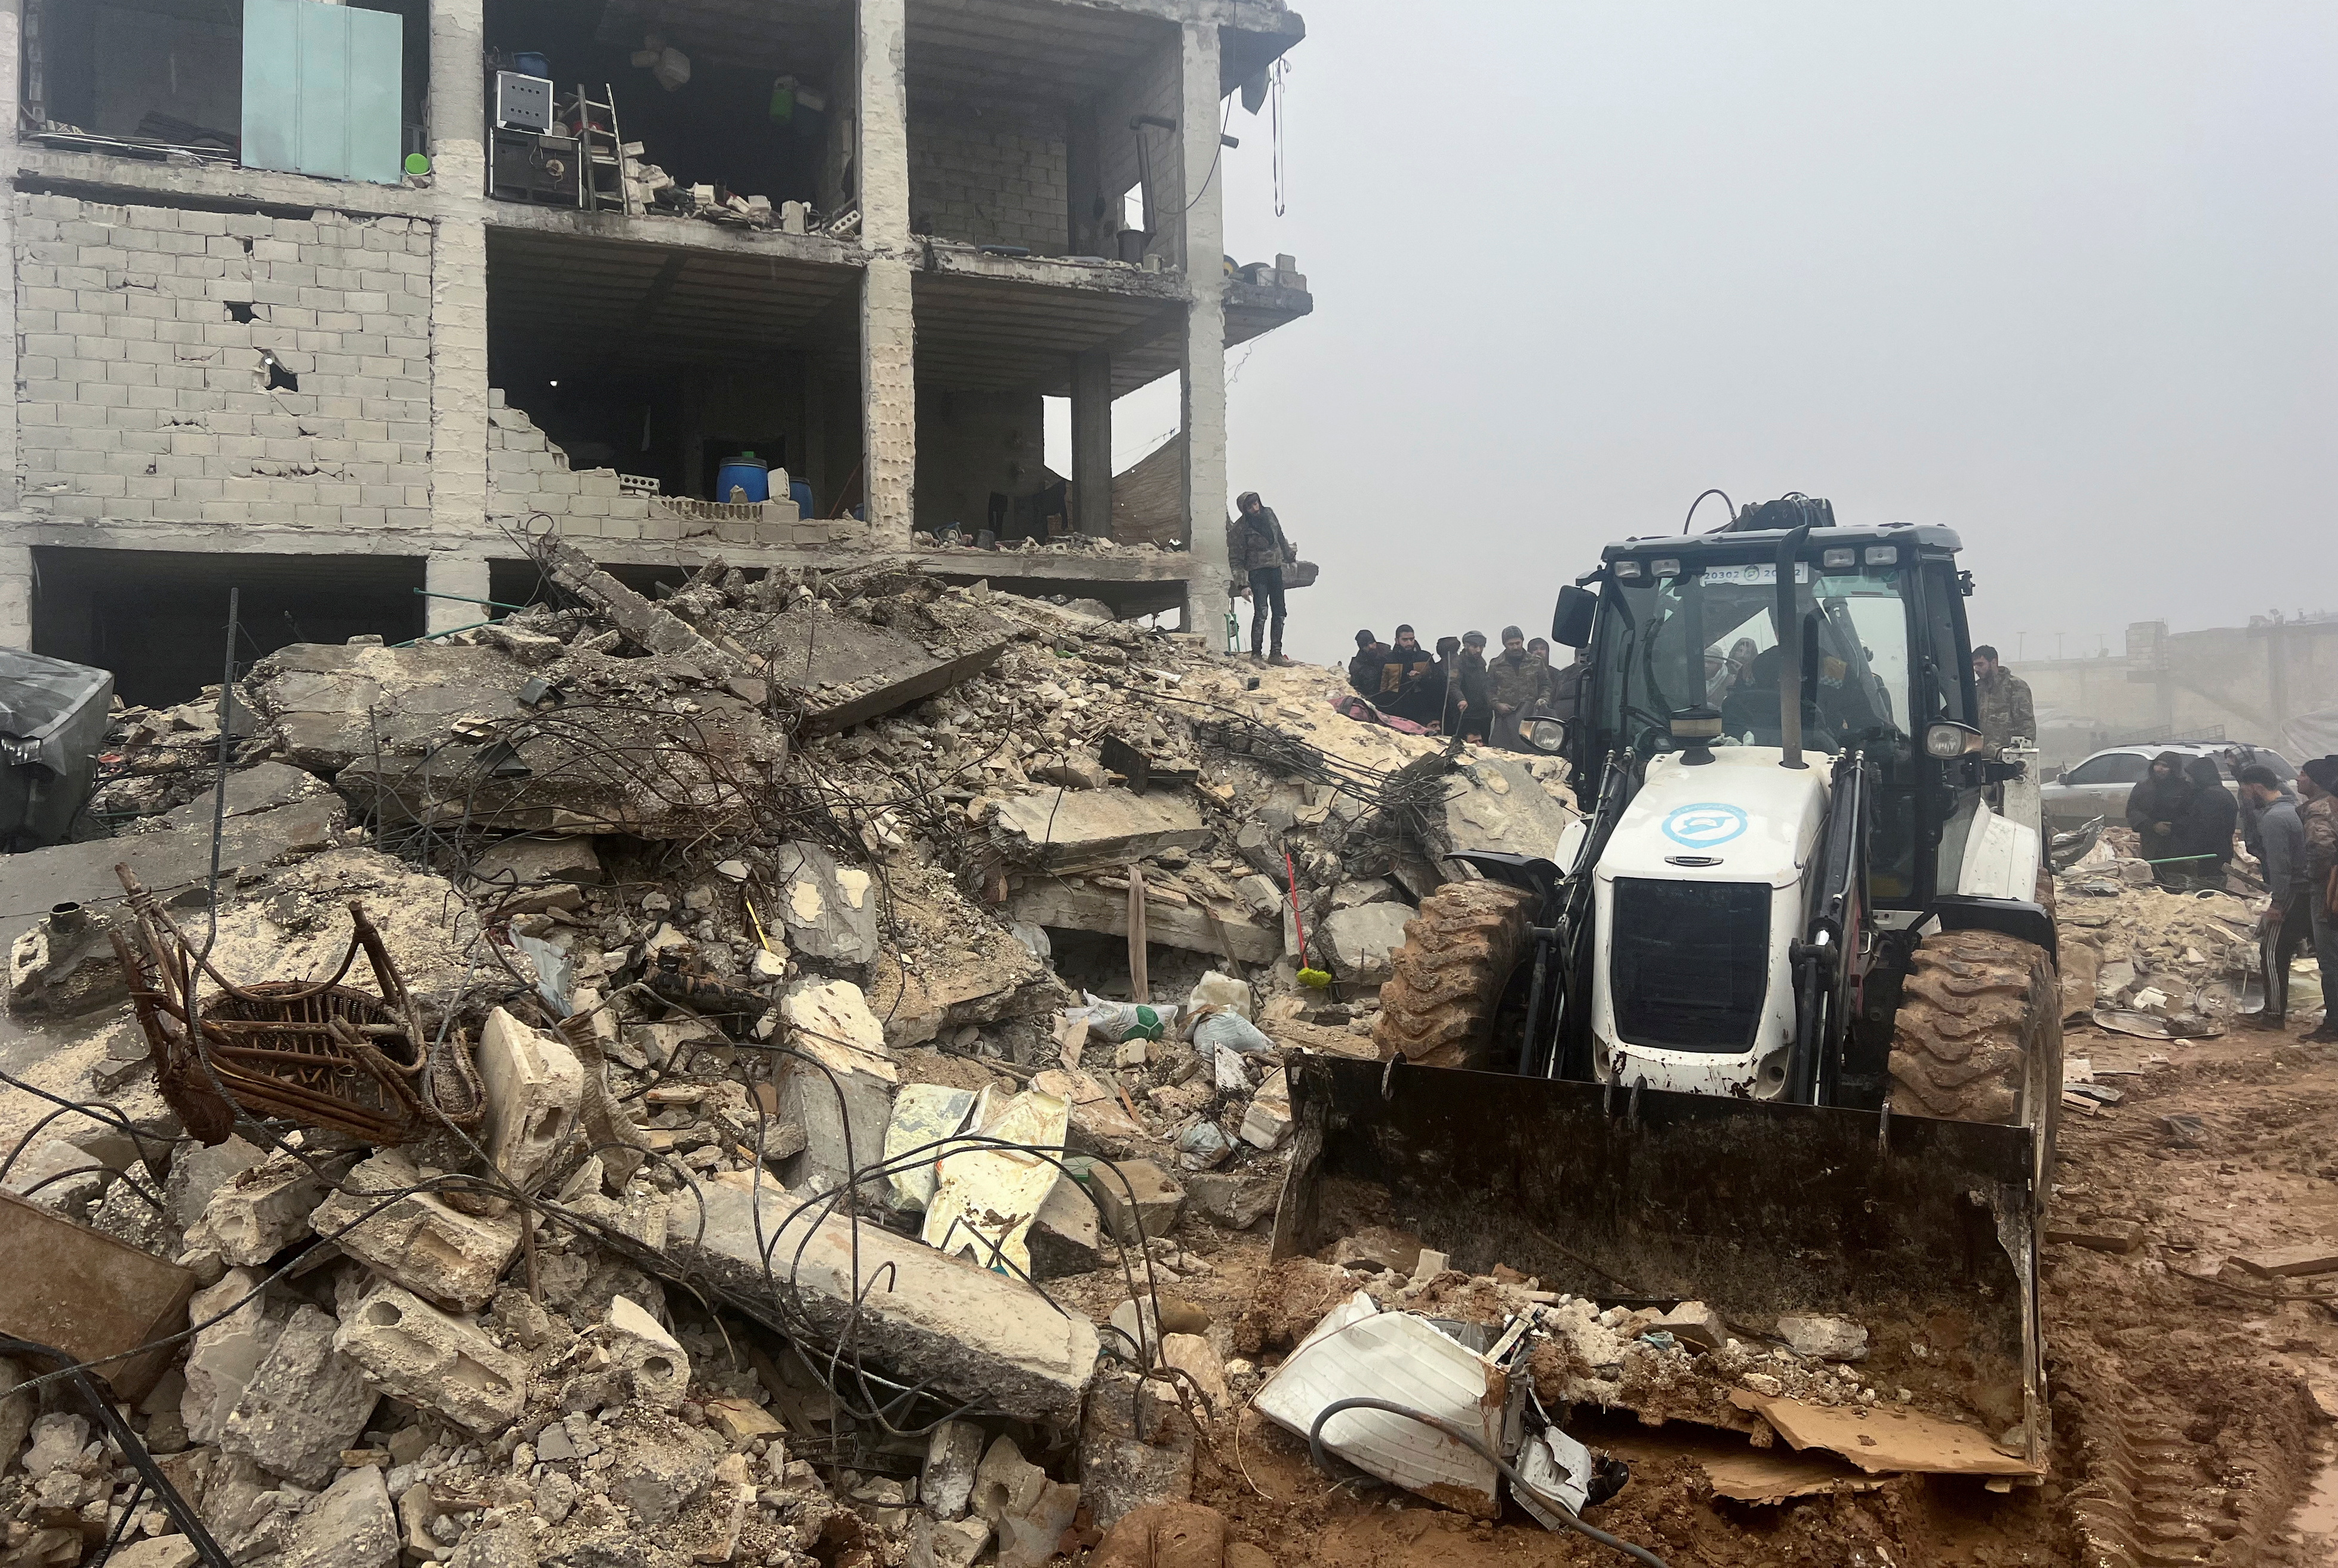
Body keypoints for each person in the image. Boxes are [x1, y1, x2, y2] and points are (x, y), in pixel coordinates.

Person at [2241, 764, 2314, 1032]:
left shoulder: (2273, 819)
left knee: (2272, 950)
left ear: (2257, 787)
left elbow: (2280, 865)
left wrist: (2278, 903)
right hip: (2308, 891)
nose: (2246, 797)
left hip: (2293, 891)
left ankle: (2273, 1014)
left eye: (2246, 790)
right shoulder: (2293, 810)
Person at [2299, 757, 2338, 1043]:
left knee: (2330, 958)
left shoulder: (2319, 810)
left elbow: (2321, 847)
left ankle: (2334, 1024)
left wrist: (2319, 879)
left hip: (2329, 890)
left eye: (2302, 774)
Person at [1232, 491, 1294, 664]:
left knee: (1280, 611)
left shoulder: (1269, 514)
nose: (1255, 508)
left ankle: (1276, 653)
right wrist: (1242, 585)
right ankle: (1256, 654)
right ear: (1245, 509)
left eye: (1256, 503)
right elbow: (1236, 560)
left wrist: (1290, 557)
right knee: (1261, 613)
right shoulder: (1240, 529)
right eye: (1251, 506)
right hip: (1257, 572)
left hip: (1275, 569)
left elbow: (1280, 537)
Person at [2167, 754, 2238, 891]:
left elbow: (2204, 830)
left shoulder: (2212, 797)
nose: (2188, 780)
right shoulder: (2215, 792)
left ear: (2200, 776)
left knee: (2206, 895)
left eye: (2191, 776)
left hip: (2208, 858)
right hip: (2216, 855)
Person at [2124, 751, 2192, 885]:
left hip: (2178, 845)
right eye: (2157, 765)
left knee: (2176, 882)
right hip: (2152, 843)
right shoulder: (2144, 787)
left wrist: (2175, 827)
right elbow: (2133, 811)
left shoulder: (2185, 789)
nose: (2159, 769)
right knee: (2153, 881)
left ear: (2174, 769)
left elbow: (2192, 814)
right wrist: (2152, 826)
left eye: (2165, 766)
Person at [2227, 745, 2298, 864]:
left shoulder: (2270, 782)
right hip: (2257, 843)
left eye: (2232, 760)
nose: (2229, 767)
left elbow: (2291, 804)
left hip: (2271, 842)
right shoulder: (2243, 788)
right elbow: (2247, 816)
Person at [1971, 646, 2036, 758]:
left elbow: (2026, 723)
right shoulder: (1977, 690)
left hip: (2005, 757)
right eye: (1975, 665)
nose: (1976, 669)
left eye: (1980, 664)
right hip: (1979, 757)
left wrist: (2019, 756)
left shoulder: (2015, 686)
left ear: (1994, 662)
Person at [1486, 626, 1541, 751]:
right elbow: (1489, 689)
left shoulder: (1535, 662)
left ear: (1523, 641)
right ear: (1504, 644)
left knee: (1532, 753)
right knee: (1503, 753)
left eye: (1518, 643)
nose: (1515, 647)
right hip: (1505, 718)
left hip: (1530, 716)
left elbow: (1545, 684)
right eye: (1511, 644)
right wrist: (1497, 704)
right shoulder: (1496, 664)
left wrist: (1543, 699)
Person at [1455, 631, 1491, 743]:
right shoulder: (1458, 663)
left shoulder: (1481, 663)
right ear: (1466, 646)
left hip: (1483, 713)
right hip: (1466, 714)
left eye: (1481, 647)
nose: (1479, 650)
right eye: (1475, 647)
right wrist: (1460, 699)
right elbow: (1453, 684)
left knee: (1484, 745)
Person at [1346, 630, 1388, 697]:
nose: (1371, 646)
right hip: (1371, 699)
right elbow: (1356, 687)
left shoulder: (1388, 655)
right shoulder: (1357, 665)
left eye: (1372, 643)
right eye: (1366, 645)